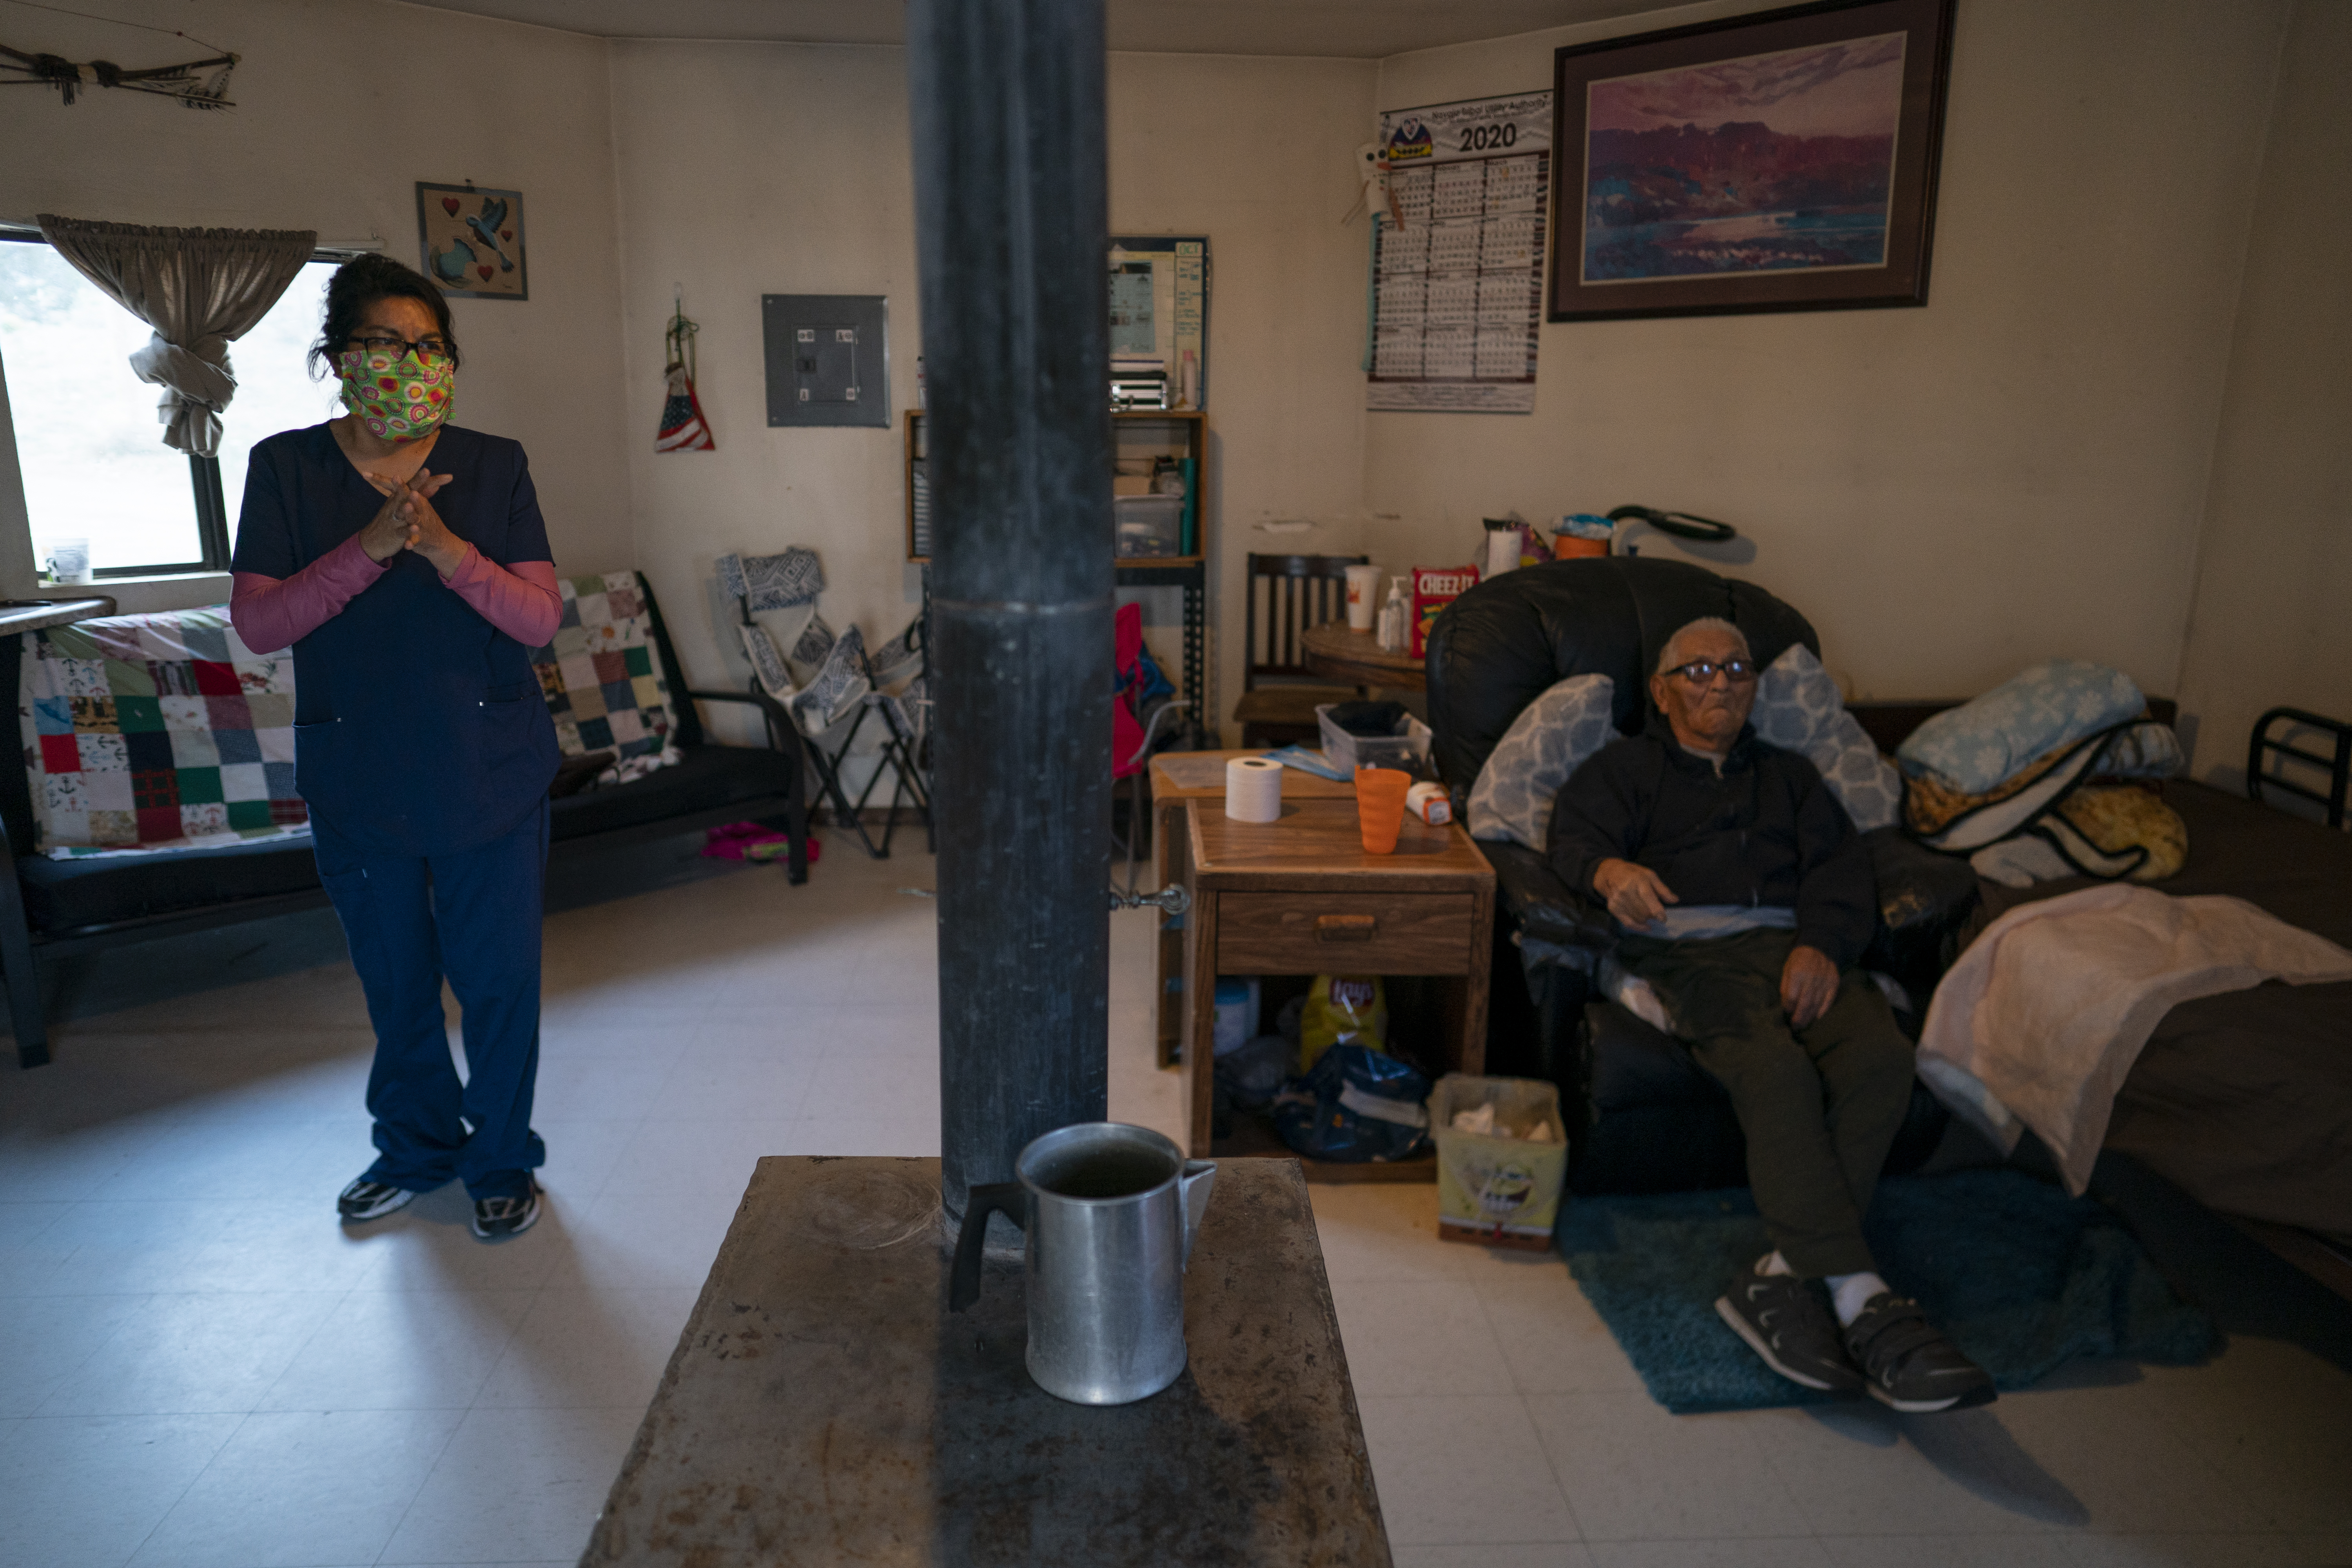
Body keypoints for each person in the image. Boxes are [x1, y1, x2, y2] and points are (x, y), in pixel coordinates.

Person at [1547, 616, 1994, 1412]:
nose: (1719, 681)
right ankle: (1862, 1295)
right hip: (1690, 955)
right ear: (1662, 688)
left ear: (1754, 686)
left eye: (1736, 668)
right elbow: (1571, 838)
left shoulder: (1791, 777)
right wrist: (1609, 868)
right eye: (1698, 669)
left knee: (1882, 1060)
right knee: (1777, 1072)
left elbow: (1842, 868)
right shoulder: (1626, 769)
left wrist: (1823, 944)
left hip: (1798, 950)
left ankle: (1783, 1273)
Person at [229, 255, 563, 1241]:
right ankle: (415, 1147)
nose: (406, 363)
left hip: (489, 771)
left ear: (449, 362)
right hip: (360, 775)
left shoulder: (495, 463)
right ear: (338, 356)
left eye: (428, 346)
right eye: (382, 343)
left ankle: (501, 1158)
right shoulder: (285, 469)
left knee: (499, 984)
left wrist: (445, 550)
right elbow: (260, 623)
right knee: (397, 982)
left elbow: (540, 619)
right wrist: (370, 545)